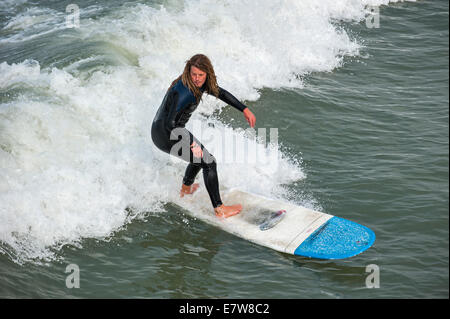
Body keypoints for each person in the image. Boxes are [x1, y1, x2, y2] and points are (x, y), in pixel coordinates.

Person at [151, 54, 256, 218]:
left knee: (200, 157)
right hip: (165, 133)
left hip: (166, 129)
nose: (197, 79)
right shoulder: (184, 92)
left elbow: (220, 92)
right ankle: (219, 209)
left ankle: (185, 190)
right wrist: (192, 143)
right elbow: (171, 125)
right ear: (188, 71)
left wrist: (244, 109)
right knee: (209, 162)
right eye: (194, 74)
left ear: (207, 73)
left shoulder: (199, 84)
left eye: (201, 75)